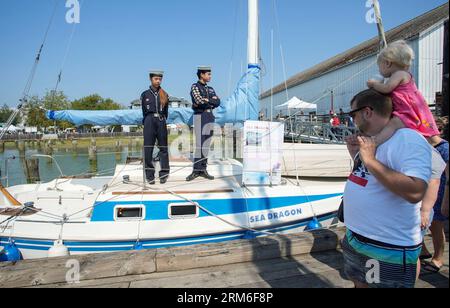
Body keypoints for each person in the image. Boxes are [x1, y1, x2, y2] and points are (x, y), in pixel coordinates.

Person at [343, 89, 432, 288]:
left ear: (367, 112)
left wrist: (371, 161)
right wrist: (356, 155)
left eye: (353, 114)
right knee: (359, 283)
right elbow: (369, 179)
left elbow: (415, 191)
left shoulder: (407, 139)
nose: (352, 120)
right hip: (356, 237)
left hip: (385, 245)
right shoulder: (373, 141)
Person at [186, 66, 221, 182]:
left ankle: (203, 169)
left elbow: (218, 102)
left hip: (209, 116)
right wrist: (210, 100)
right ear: (202, 75)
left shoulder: (210, 88)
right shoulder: (195, 86)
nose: (210, 76)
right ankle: (196, 170)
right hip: (200, 116)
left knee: (206, 143)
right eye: (208, 74)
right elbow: (198, 100)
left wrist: (207, 100)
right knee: (200, 143)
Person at [141, 70, 170, 185]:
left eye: (159, 79)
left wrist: (162, 120)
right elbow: (144, 111)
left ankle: (164, 174)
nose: (158, 81)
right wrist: (148, 121)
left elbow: (166, 111)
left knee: (163, 148)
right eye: (155, 79)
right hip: (149, 120)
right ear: (151, 79)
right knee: (148, 148)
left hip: (161, 120)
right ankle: (149, 175)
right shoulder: (145, 94)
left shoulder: (165, 94)